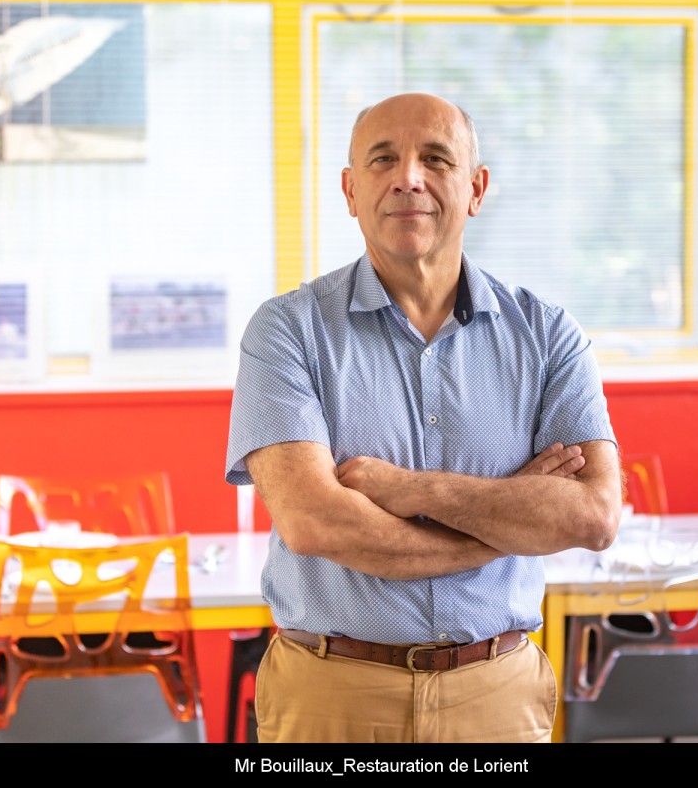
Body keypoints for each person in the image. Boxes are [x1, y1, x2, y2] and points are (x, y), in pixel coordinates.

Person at [224, 92, 621, 743]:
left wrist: (409, 490)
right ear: (351, 191)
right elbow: (315, 521)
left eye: (436, 158)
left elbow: (592, 516)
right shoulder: (286, 332)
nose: (408, 177)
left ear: (476, 188)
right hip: (333, 695)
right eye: (383, 159)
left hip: (498, 696)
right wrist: (509, 525)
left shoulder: (550, 336)